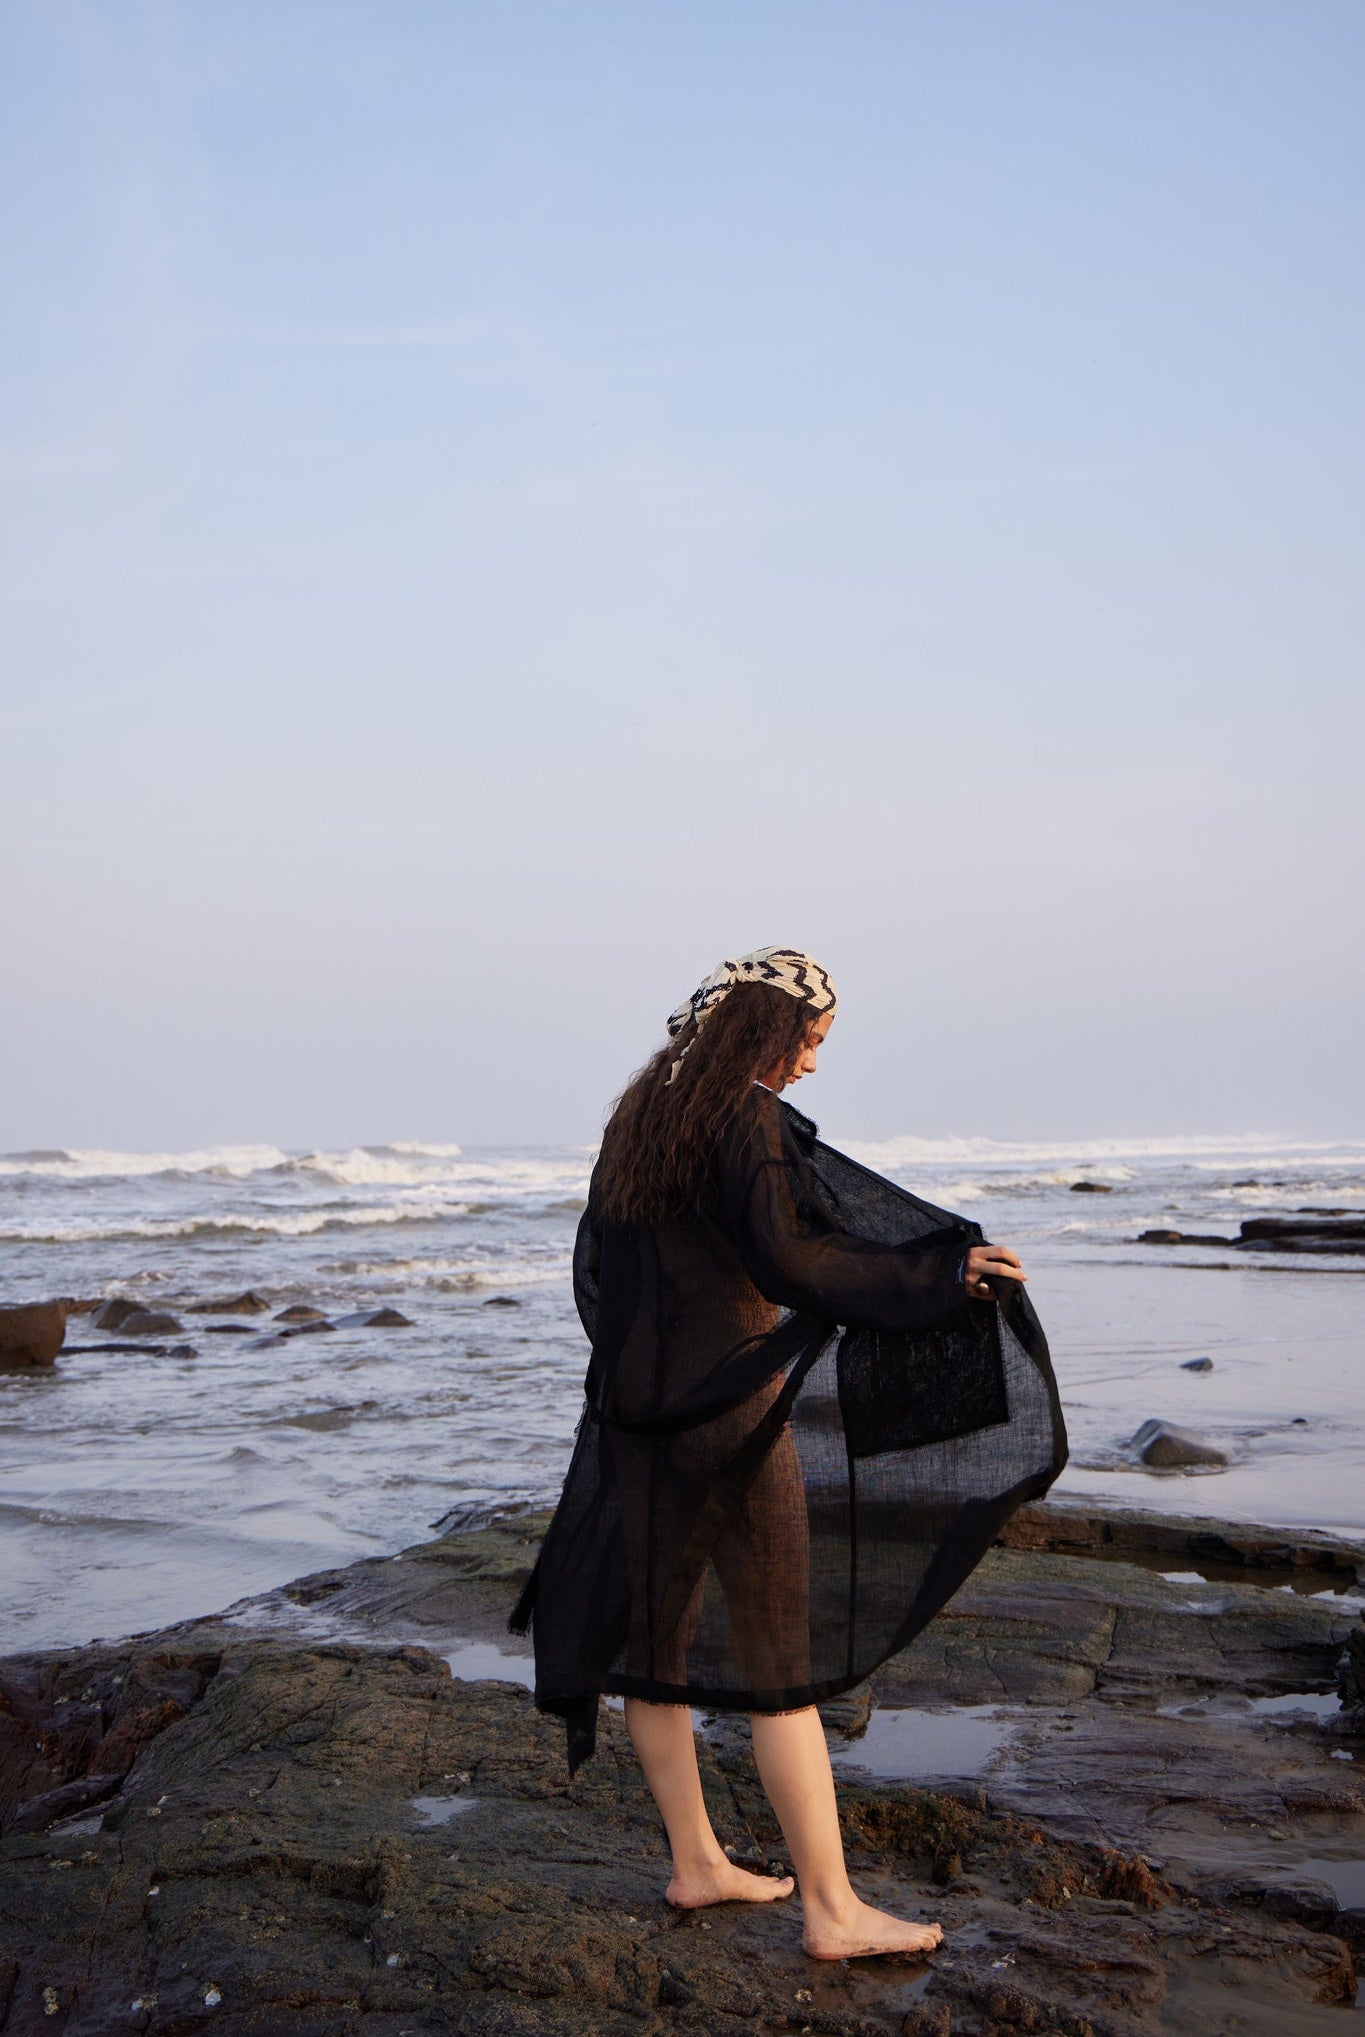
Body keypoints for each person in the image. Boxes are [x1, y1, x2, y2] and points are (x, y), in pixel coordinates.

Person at [512, 947, 1066, 1960]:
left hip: (635, 1418)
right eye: (810, 1040)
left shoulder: (641, 1118)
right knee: (781, 1663)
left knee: (657, 1650)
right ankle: (833, 1912)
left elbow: (596, 1274)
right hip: (729, 1418)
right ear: (769, 1029)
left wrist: (645, 1376)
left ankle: (698, 1864)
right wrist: (944, 1276)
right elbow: (793, 1257)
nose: (811, 1063)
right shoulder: (745, 1115)